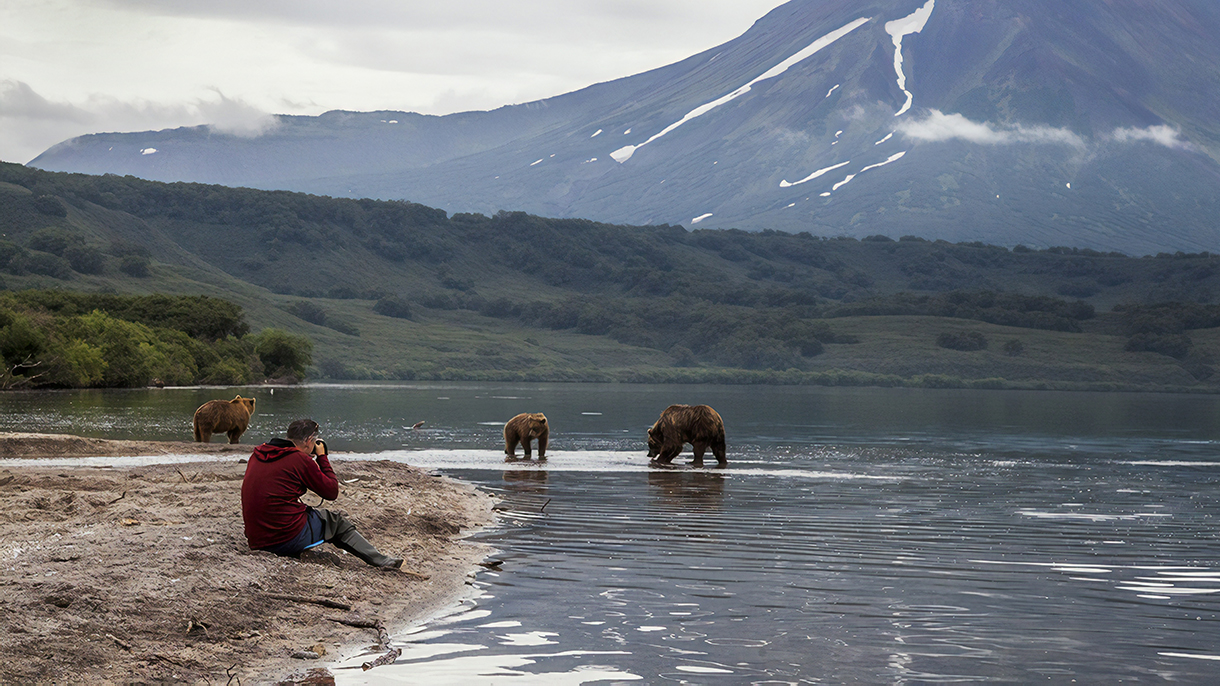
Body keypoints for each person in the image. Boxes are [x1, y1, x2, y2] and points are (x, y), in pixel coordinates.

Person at [241, 418, 403, 569]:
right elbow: (331, 491)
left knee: (304, 514)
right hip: (282, 538)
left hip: (256, 540)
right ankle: (381, 561)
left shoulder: (258, 453)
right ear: (308, 440)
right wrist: (322, 457)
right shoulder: (299, 460)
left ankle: (301, 553)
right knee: (335, 522)